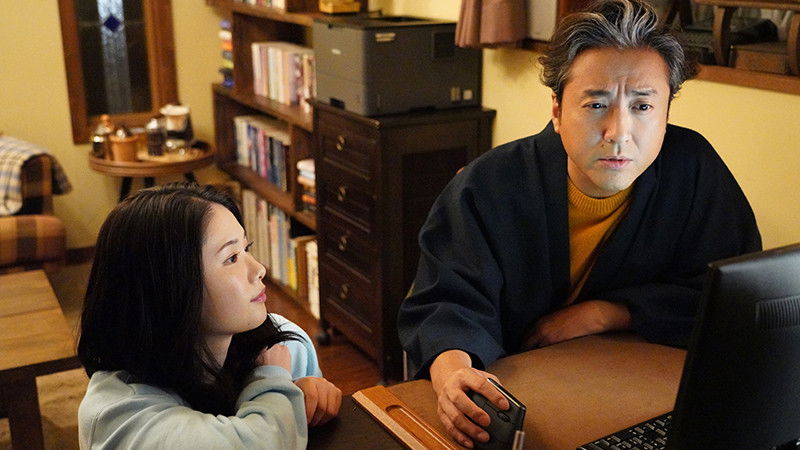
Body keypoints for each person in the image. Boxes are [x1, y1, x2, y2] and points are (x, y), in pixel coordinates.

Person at [397, 0, 762, 447]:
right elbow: (446, 301)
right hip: (514, 397)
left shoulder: (694, 169)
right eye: (596, 104)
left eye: (643, 106)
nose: (619, 132)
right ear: (556, 109)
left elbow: (732, 295)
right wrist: (453, 374)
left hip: (631, 388)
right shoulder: (488, 185)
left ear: (666, 112)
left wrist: (605, 314)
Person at [77, 182, 341, 449]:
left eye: (246, 248)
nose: (259, 269)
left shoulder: (284, 345)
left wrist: (309, 395)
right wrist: (274, 385)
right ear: (169, 286)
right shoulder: (122, 416)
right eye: (231, 258)